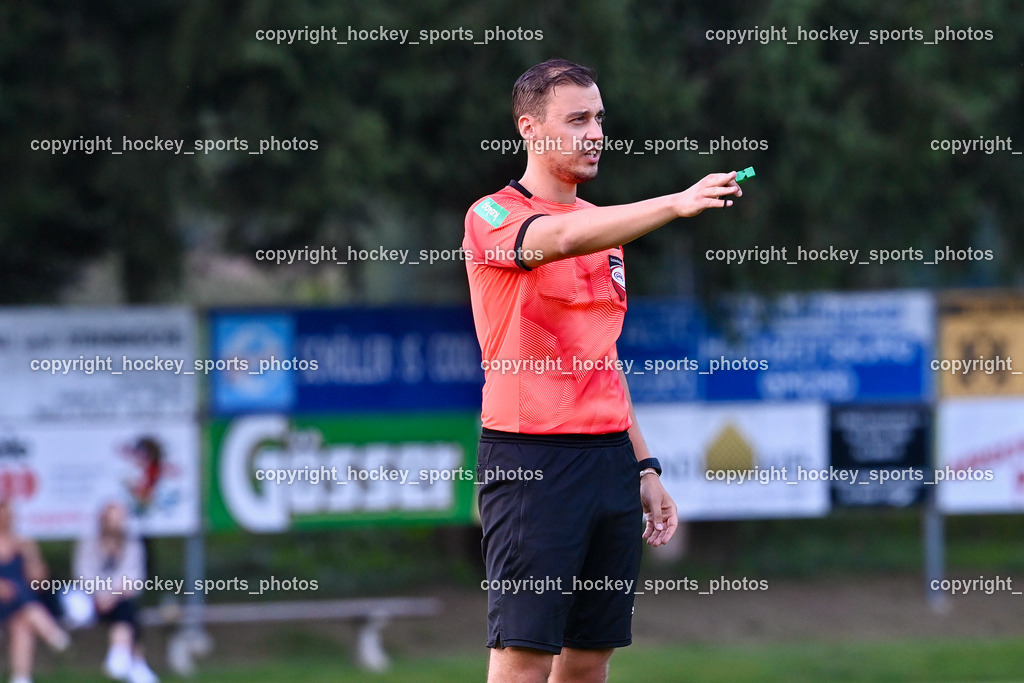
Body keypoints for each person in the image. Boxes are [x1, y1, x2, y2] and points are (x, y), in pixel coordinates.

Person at [463, 58, 740, 683]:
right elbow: (558, 240)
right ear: (530, 129)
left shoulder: (604, 234)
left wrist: (643, 466)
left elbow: (601, 361)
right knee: (524, 660)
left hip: (608, 458)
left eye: (600, 120)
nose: (595, 134)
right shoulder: (493, 216)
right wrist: (676, 201)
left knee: (589, 660)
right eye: (577, 120)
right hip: (533, 459)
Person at [72, 501, 158, 683]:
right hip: (93, 599)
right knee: (127, 611)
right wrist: (101, 595)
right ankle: (135, 662)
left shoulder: (132, 543)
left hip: (120, 598)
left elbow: (135, 577)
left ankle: (122, 654)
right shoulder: (89, 543)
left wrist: (113, 595)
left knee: (126, 607)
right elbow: (84, 574)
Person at [0, 498, 70, 683]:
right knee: (18, 593)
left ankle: (21, 678)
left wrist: (30, 555)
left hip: (18, 606)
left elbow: (40, 580)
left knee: (21, 623)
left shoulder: (23, 543)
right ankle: (51, 632)